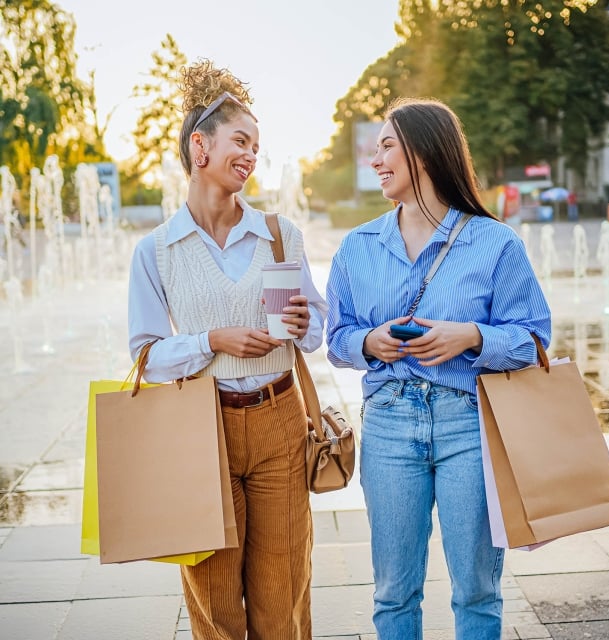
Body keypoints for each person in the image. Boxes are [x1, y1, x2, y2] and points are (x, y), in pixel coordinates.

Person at [325, 98, 551, 640]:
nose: (375, 160)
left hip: (469, 424)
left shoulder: (495, 242)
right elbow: (337, 341)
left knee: (477, 589)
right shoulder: (357, 248)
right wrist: (370, 342)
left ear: (425, 151)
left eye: (386, 146)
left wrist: (471, 336)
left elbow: (535, 338)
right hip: (388, 425)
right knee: (393, 593)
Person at [128, 59, 327, 640]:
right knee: (213, 595)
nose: (251, 154)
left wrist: (300, 320)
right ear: (200, 147)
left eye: (257, 146)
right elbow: (144, 354)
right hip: (199, 426)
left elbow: (314, 330)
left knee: (282, 585)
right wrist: (211, 342)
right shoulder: (157, 250)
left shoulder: (277, 232)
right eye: (240, 140)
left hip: (279, 421)